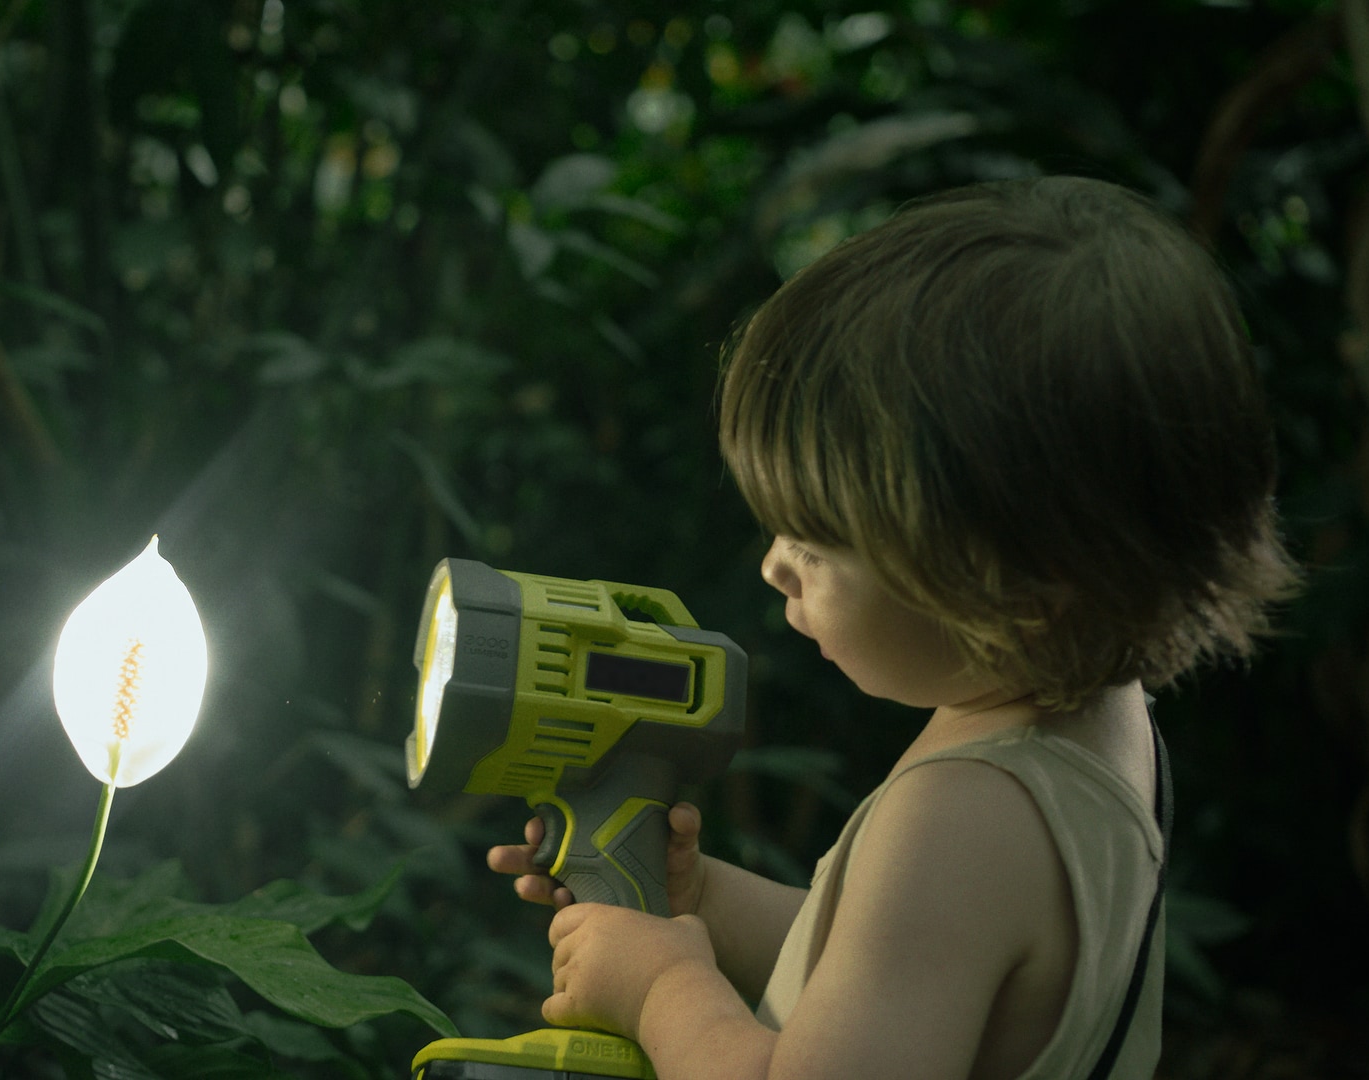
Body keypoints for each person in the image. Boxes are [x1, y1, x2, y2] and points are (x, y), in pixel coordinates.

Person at [487, 175, 1298, 1079]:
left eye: (820, 540)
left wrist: (664, 990)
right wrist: (704, 900)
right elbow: (916, 972)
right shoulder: (1095, 727)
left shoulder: (960, 814)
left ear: (1018, 587)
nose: (774, 564)